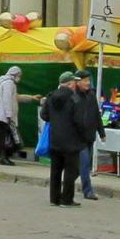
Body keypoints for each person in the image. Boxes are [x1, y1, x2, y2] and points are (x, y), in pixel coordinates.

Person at [39, 70, 86, 207]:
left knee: (55, 170)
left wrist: (55, 119)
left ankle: (54, 199)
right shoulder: (74, 98)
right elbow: (79, 120)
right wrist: (82, 135)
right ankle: (66, 199)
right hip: (71, 140)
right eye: (74, 82)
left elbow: (44, 115)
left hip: (55, 139)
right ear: (70, 84)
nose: (75, 85)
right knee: (70, 171)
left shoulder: (51, 96)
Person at [73, 71, 105, 198]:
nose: (87, 83)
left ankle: (67, 183)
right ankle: (88, 191)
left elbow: (96, 114)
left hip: (89, 136)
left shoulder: (91, 95)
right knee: (85, 164)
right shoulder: (74, 96)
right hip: (78, 137)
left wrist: (101, 132)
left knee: (80, 166)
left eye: (88, 80)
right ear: (77, 82)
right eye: (85, 80)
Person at [0, 65, 23, 165]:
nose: (20, 77)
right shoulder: (9, 83)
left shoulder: (8, 83)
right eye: (19, 75)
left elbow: (15, 98)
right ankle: (3, 157)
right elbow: (7, 100)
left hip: (3, 116)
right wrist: (9, 115)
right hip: (4, 117)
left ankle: (5, 157)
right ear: (15, 74)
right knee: (6, 138)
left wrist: (31, 98)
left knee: (6, 138)